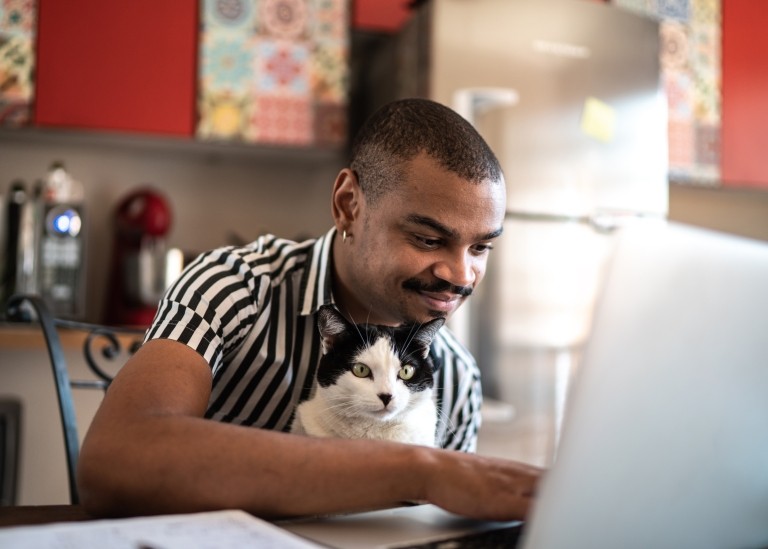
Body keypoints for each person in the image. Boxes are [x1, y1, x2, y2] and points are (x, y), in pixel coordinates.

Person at [77, 98, 541, 520]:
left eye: (480, 248)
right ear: (348, 206)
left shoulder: (458, 379)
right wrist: (417, 469)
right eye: (428, 239)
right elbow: (116, 459)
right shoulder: (236, 288)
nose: (461, 276)